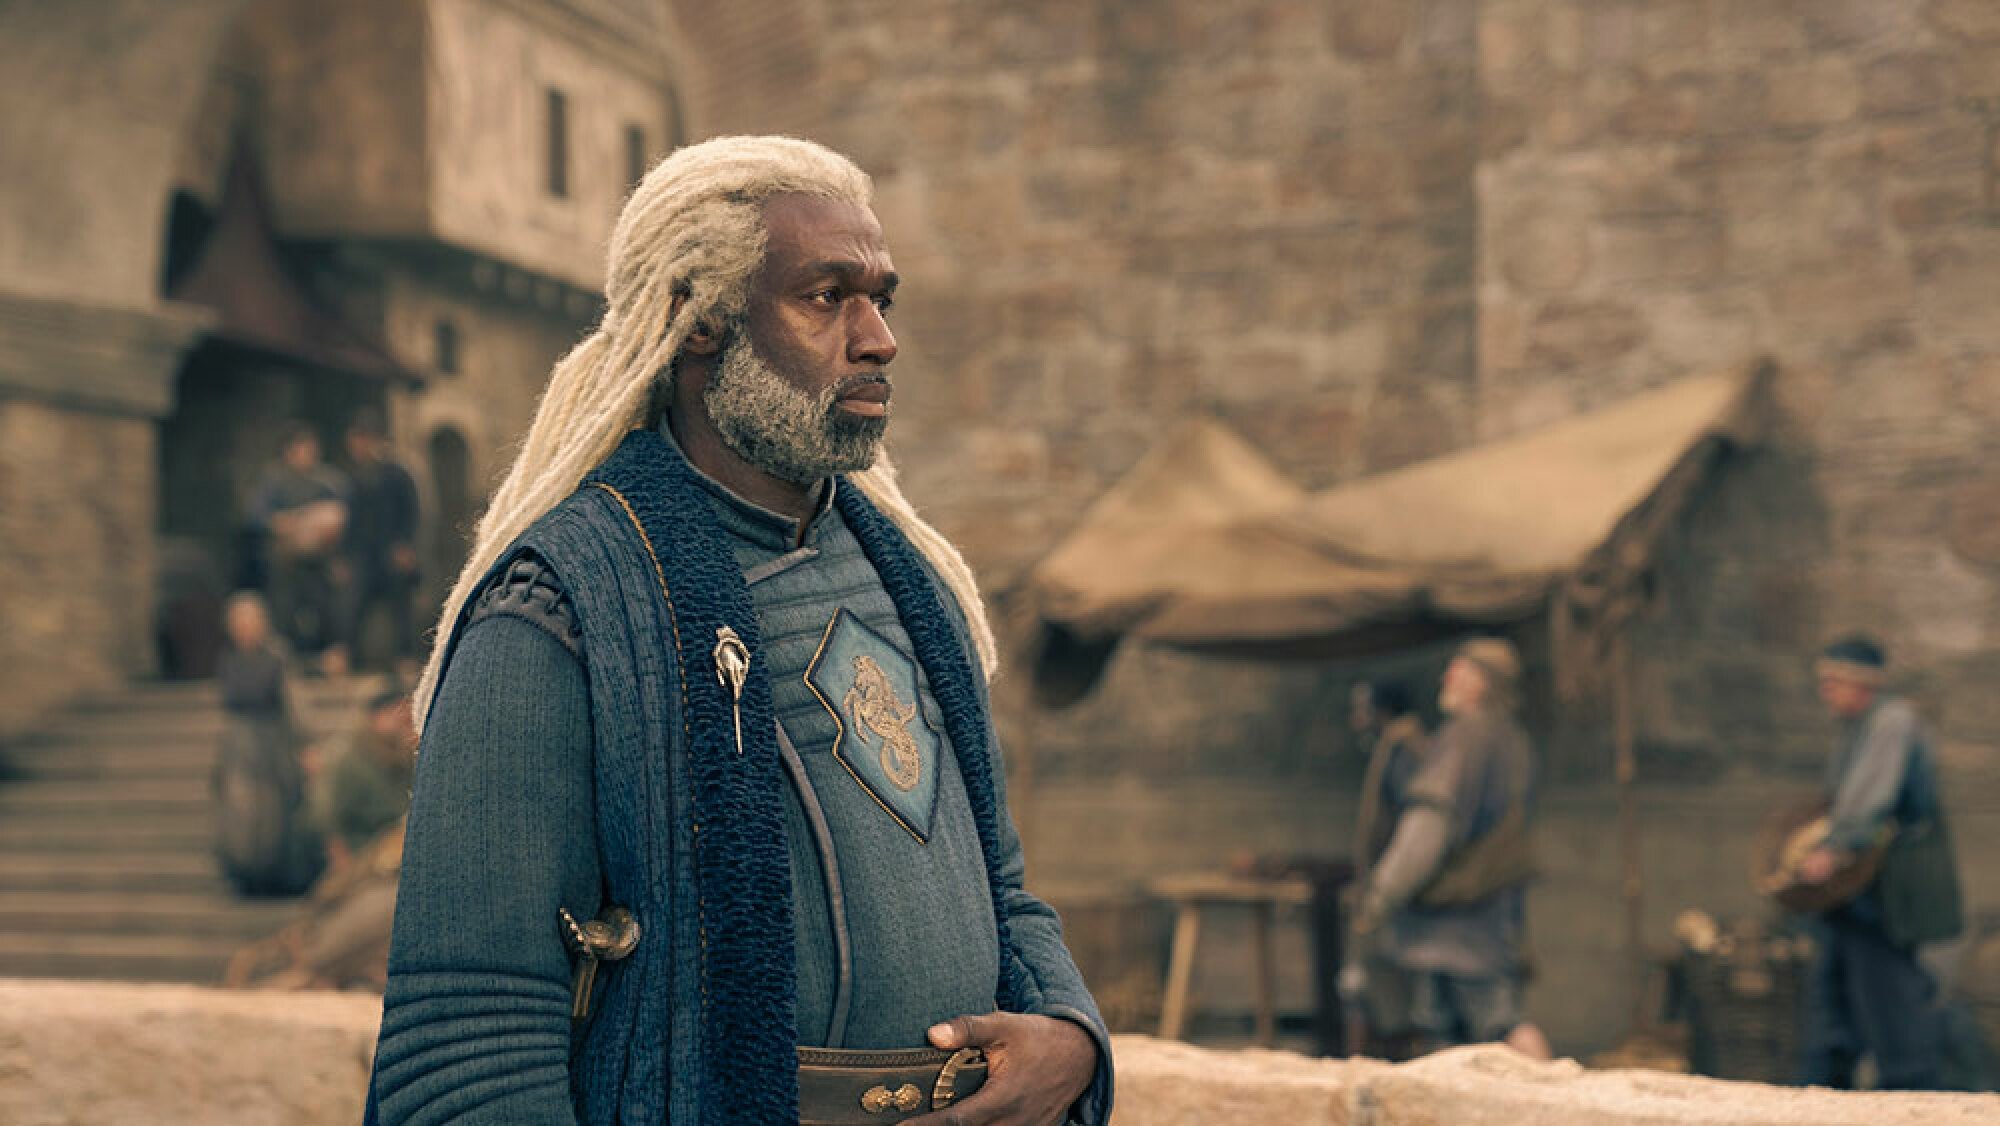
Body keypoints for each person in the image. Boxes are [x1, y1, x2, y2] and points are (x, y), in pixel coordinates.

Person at [365, 137, 1110, 1125]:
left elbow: (1007, 891)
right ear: (700, 321)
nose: (877, 336)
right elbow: (469, 1034)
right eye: (825, 296)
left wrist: (1069, 1034)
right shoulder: (557, 613)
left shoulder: (915, 585)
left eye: (881, 297)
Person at [1345, 639, 1549, 1059]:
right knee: (1460, 1038)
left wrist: (1382, 893)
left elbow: (1429, 828)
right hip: (1485, 920)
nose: (1447, 678)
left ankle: (1559, 1102)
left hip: (1460, 924)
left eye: (1459, 671)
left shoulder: (1465, 737)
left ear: (1482, 683)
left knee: (1501, 1026)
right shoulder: (1513, 740)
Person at [1796, 635, 1960, 1090]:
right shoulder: (1856, 726)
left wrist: (1833, 849)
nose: (1826, 690)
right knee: (1832, 996)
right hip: (1855, 890)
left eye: (1834, 681)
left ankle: (1911, 1094)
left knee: (1890, 996)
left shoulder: (1892, 722)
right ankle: (1825, 1089)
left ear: (1860, 683)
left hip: (1885, 886)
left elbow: (1869, 800)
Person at [212, 592, 324, 897]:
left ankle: (277, 878)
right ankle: (245, 876)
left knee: (274, 814)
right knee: (241, 813)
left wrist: (306, 743)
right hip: (239, 744)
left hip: (272, 741)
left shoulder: (276, 657)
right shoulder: (230, 660)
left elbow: (294, 701)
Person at [1341, 680, 1428, 1059]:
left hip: (1396, 897)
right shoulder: (1393, 751)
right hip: (1386, 891)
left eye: (1363, 709)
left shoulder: (1405, 754)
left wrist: (1383, 891)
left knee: (1371, 986)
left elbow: (1414, 832)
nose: (1357, 720)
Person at [249, 425, 349, 662]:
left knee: (323, 604)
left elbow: (344, 512)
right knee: (284, 605)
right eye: (301, 450)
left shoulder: (328, 481)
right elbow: (257, 515)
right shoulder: (274, 480)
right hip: (284, 559)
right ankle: (285, 655)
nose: (306, 455)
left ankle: (328, 656)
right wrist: (282, 522)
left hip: (320, 559)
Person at [331, 410, 421, 674]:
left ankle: (405, 656)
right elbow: (351, 521)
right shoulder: (355, 479)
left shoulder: (398, 475)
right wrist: (343, 556)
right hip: (363, 554)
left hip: (392, 549)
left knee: (401, 600)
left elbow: (411, 511)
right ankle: (346, 655)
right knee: (351, 599)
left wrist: (406, 545)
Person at [310, 680, 418, 876]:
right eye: (392, 712)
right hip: (363, 850)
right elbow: (329, 818)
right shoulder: (350, 760)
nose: (401, 719)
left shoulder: (404, 754)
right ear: (375, 717)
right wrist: (345, 865)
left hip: (398, 844)